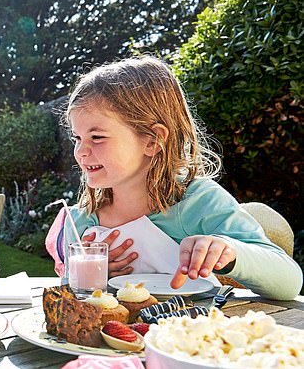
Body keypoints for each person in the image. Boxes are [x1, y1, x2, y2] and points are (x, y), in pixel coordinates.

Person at [45, 56, 302, 300]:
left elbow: (289, 281)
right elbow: (70, 299)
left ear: (153, 140)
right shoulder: (80, 222)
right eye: (77, 138)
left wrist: (228, 251)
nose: (80, 151)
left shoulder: (198, 201)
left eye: (97, 137)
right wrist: (93, 278)